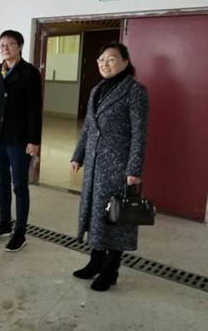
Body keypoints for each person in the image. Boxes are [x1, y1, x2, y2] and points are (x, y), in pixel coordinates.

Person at [70, 41, 149, 291]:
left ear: (125, 62)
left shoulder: (135, 91)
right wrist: (78, 155)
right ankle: (95, 262)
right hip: (95, 166)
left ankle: (110, 270)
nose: (105, 64)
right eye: (101, 60)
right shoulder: (97, 89)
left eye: (111, 59)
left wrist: (134, 169)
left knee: (116, 217)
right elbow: (88, 127)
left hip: (118, 168)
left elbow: (139, 133)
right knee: (96, 215)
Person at [0, 30, 42, 252]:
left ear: (20, 46)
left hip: (19, 138)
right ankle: (5, 223)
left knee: (20, 185)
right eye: (2, 44)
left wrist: (34, 140)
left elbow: (35, 109)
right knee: (2, 182)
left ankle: (20, 232)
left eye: (10, 44)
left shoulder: (30, 73)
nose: (5, 47)